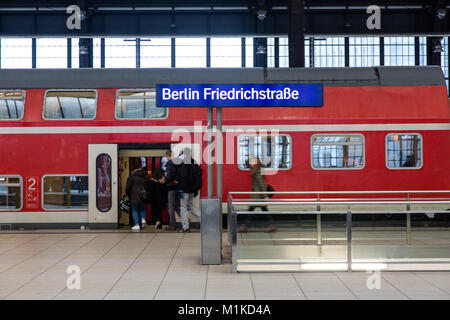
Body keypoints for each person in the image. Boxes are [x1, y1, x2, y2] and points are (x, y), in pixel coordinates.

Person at [238, 156, 276, 233]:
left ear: (255, 163)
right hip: (258, 194)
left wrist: (265, 196)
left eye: (251, 162)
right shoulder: (255, 169)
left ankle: (245, 226)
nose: (250, 163)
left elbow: (261, 184)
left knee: (251, 210)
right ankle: (272, 225)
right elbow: (247, 164)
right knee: (263, 210)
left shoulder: (257, 171)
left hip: (258, 195)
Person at [177, 148, 202, 233]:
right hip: (192, 190)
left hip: (185, 190)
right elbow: (198, 177)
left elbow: (183, 177)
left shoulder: (184, 163)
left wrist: (180, 189)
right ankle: (205, 222)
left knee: (183, 208)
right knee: (191, 207)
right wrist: (195, 190)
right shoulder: (194, 162)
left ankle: (185, 228)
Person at [126, 166, 151, 231]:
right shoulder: (146, 176)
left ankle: (137, 225)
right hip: (143, 195)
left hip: (134, 195)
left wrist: (127, 194)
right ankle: (143, 219)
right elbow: (148, 186)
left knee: (135, 210)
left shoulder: (132, 177)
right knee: (142, 208)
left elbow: (128, 187)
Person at [165, 150, 181, 231]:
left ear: (167, 156)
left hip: (171, 188)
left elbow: (169, 177)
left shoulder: (169, 165)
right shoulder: (178, 164)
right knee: (177, 206)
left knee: (171, 206)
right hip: (178, 187)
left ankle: (172, 225)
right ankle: (186, 221)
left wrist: (165, 178)